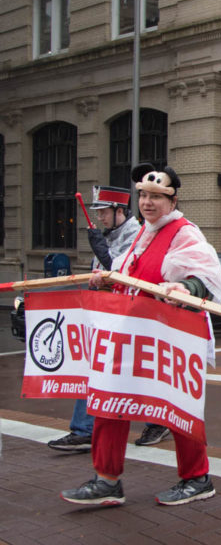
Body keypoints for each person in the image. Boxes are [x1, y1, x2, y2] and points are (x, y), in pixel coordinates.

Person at [61, 164, 221, 506]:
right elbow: (127, 271)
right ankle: (107, 480)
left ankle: (197, 478)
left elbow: (207, 277)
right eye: (143, 196)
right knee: (109, 400)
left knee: (178, 408)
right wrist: (108, 279)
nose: (148, 202)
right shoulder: (143, 233)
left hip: (171, 339)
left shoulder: (184, 232)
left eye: (156, 196)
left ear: (172, 199)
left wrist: (184, 286)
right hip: (131, 334)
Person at [48, 186, 141, 453]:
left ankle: (157, 419)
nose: (100, 218)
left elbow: (120, 271)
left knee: (127, 373)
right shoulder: (109, 235)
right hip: (104, 313)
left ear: (119, 211)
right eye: (98, 213)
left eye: (104, 213)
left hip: (125, 315)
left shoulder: (135, 236)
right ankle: (83, 429)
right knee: (94, 368)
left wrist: (102, 252)